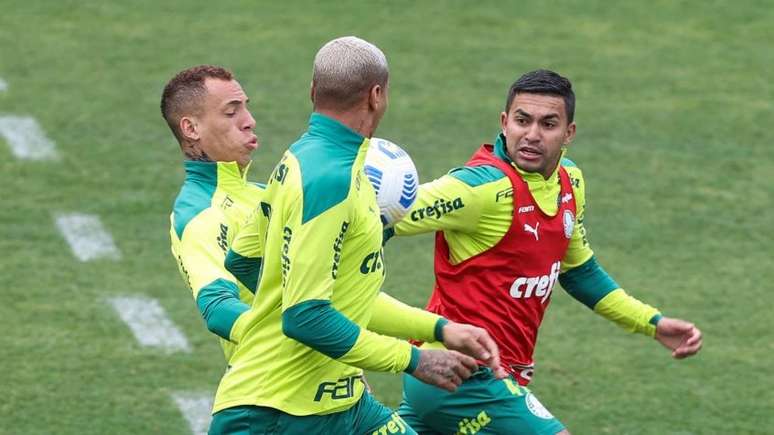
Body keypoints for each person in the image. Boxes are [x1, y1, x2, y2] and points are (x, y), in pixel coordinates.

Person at [208, 36, 505, 435]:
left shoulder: (303, 159)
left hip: (342, 405)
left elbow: (245, 262)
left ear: (313, 91)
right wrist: (415, 360)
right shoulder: (331, 180)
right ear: (377, 96)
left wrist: (439, 329)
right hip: (277, 413)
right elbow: (306, 316)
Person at [388, 69, 704, 434]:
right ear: (505, 123)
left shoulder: (570, 181)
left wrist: (653, 323)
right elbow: (386, 211)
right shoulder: (480, 189)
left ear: (569, 132)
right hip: (463, 373)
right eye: (523, 121)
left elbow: (580, 272)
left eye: (548, 124)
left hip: (488, 378)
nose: (532, 135)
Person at [163, 65, 263, 360]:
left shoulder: (266, 193)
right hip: (274, 395)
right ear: (191, 129)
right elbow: (219, 309)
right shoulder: (200, 214)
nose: (249, 121)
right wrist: (313, 341)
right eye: (231, 112)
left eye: (246, 108)